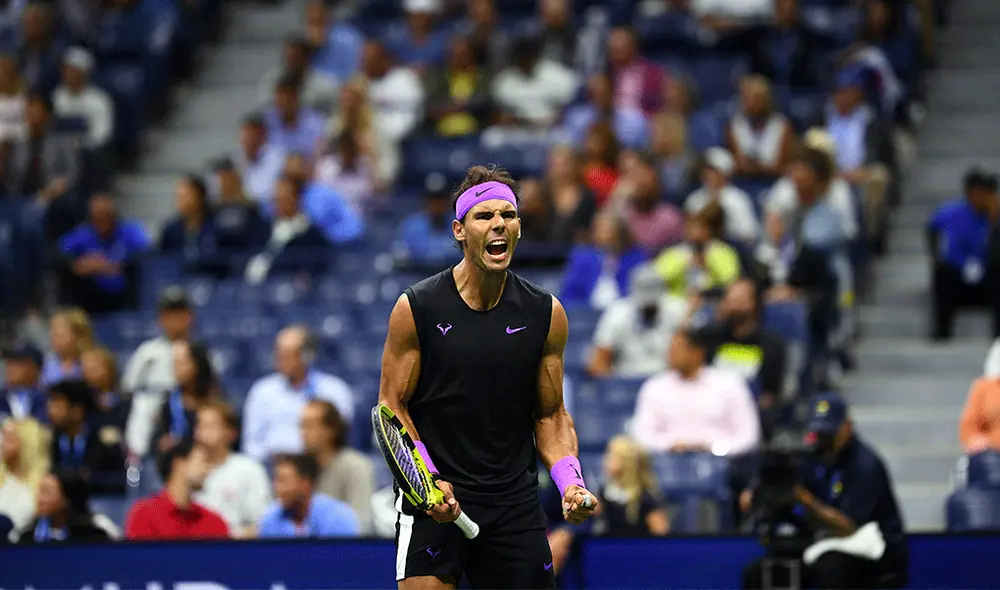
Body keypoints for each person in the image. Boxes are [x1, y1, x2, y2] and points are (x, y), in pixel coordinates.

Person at [379, 164, 597, 589]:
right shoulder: (416, 309)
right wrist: (428, 481)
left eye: (509, 215)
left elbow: (551, 416)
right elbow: (392, 407)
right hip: (435, 502)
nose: (499, 223)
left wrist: (570, 483)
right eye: (484, 216)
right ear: (460, 230)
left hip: (513, 504)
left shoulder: (545, 314)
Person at [740, 393, 908, 589]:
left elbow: (848, 528)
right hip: (822, 542)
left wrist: (807, 502)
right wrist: (757, 491)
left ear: (847, 426)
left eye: (829, 433)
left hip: (870, 551)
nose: (823, 439)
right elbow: (781, 482)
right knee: (758, 573)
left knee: (830, 568)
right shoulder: (813, 457)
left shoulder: (865, 464)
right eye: (818, 432)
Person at [632, 328, 761, 456]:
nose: (671, 355)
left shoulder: (729, 385)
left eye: (678, 349)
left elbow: (748, 435)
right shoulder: (655, 387)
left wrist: (715, 448)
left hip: (722, 463)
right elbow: (642, 434)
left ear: (698, 352)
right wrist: (670, 445)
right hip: (668, 462)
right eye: (670, 349)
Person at [242, 325, 355, 462]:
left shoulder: (334, 390)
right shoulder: (262, 391)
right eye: (278, 353)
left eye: (288, 354)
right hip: (274, 469)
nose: (280, 360)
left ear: (307, 355)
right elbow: (251, 444)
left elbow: (339, 439)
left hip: (321, 466)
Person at [927, 166, 1000, 340]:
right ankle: (942, 333)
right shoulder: (951, 213)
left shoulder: (996, 216)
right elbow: (932, 229)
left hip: (987, 278)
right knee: (942, 273)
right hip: (959, 276)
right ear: (973, 192)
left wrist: (995, 223)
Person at [122, 286, 195, 456]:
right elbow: (128, 389)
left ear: (190, 317)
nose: (175, 319)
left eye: (180, 313)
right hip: (149, 407)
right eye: (169, 314)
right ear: (161, 318)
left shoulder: (198, 352)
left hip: (184, 410)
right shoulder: (147, 351)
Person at [588, 264, 689, 378]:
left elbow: (689, 356)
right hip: (626, 382)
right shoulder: (617, 313)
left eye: (651, 305)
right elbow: (598, 361)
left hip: (666, 383)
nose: (647, 308)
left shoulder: (678, 310)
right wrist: (613, 387)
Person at [193, 399, 271, 538]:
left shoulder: (249, 469)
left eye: (210, 426)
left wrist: (228, 537)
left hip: (235, 547)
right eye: (200, 426)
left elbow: (262, 524)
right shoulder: (186, 469)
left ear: (231, 433)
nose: (203, 433)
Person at [124, 440, 229, 540]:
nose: (208, 470)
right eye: (203, 462)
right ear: (179, 464)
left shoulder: (214, 523)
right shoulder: (144, 515)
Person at [301, 399, 374, 534]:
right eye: (302, 426)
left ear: (331, 430)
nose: (303, 433)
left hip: (343, 548)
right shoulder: (299, 468)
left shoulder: (356, 467)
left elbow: (362, 523)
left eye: (310, 426)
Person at [47, 379, 127, 495]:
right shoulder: (50, 441)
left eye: (57, 405)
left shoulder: (104, 444)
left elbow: (114, 485)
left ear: (77, 411)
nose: (51, 411)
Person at [257, 453, 359, 538]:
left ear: (306, 485)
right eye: (276, 481)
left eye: (284, 481)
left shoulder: (339, 518)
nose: (277, 488)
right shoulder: (270, 518)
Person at [19, 470, 111, 543]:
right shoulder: (27, 538)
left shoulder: (94, 538)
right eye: (39, 491)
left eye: (46, 491)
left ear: (67, 499)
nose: (39, 498)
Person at [0, 344, 47, 422]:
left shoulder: (48, 401)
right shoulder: (2, 398)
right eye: (9, 363)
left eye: (18, 364)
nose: (11, 368)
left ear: (35, 368)